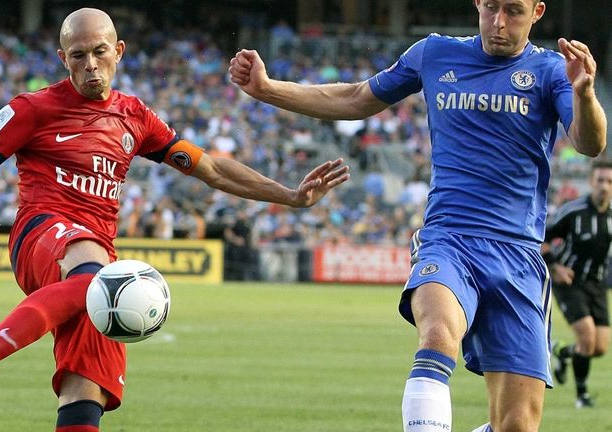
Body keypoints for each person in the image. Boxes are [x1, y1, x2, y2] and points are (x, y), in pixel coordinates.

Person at [0, 8, 349, 431]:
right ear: (62, 59)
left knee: (84, 391)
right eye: (78, 56)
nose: (90, 65)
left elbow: (212, 168)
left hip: (95, 264)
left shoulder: (136, 117)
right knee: (97, 278)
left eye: (100, 52)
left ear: (119, 51)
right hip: (43, 236)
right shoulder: (32, 109)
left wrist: (289, 195)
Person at [228, 0, 607, 431]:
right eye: (492, 8)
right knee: (438, 335)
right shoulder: (434, 53)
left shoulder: (553, 71)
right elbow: (356, 98)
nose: (499, 22)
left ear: (538, 11)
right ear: (478, 4)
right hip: (449, 238)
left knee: (516, 425)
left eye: (514, 11)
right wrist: (267, 88)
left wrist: (584, 93)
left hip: (518, 253)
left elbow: (589, 143)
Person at [543, 159, 612, 409]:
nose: (604, 186)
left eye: (609, 181)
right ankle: (581, 397)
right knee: (587, 336)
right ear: (592, 182)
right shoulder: (574, 211)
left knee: (599, 347)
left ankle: (563, 353)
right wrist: (554, 267)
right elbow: (542, 238)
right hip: (569, 281)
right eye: (600, 180)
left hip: (597, 285)